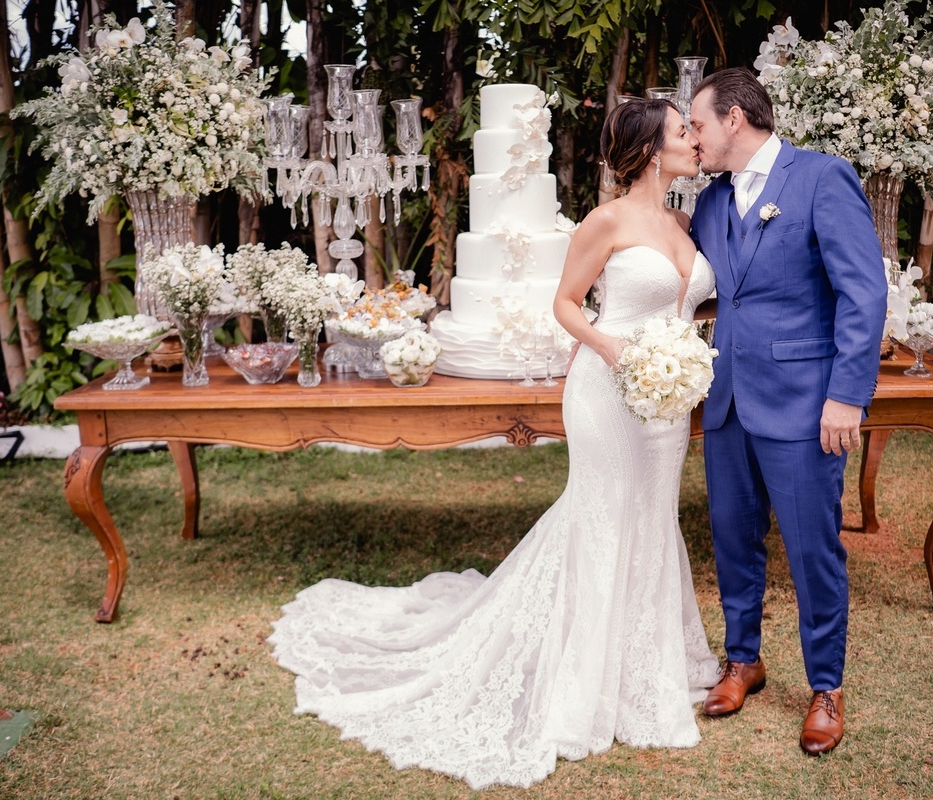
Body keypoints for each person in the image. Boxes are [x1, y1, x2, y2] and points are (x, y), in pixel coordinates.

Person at [268, 98, 722, 790]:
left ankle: (644, 667)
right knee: (603, 516)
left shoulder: (687, 222)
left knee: (653, 518)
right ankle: (585, 681)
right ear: (651, 149)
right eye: (681, 131)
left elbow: (693, 301)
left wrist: (681, 355)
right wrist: (616, 351)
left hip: (666, 399)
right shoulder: (606, 221)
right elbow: (566, 304)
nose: (693, 138)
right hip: (607, 390)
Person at [686, 67, 887, 756]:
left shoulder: (821, 178)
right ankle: (744, 660)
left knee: (810, 550)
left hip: (807, 405)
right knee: (732, 539)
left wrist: (846, 396)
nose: (693, 139)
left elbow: (863, 293)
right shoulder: (711, 203)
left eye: (698, 125)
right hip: (728, 402)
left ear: (735, 119)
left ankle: (826, 687)